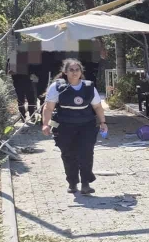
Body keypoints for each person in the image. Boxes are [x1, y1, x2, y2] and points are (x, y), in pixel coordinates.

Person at [41, 59, 107, 195]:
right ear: (65, 72)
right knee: (68, 154)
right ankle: (72, 182)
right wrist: (45, 125)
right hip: (64, 125)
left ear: (81, 72)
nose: (74, 72)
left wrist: (103, 122)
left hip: (86, 125)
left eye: (77, 70)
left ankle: (85, 184)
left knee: (86, 153)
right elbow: (48, 108)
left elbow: (98, 107)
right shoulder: (57, 87)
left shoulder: (89, 87)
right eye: (71, 70)